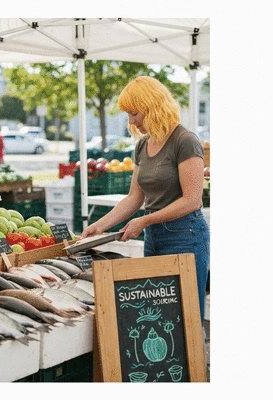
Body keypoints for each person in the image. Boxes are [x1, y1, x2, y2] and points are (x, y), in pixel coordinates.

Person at [81, 76, 210, 324]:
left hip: (186, 235)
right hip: (154, 237)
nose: (130, 121)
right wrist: (100, 225)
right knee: (160, 317)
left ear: (153, 107)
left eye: (134, 113)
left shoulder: (185, 141)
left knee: (187, 316)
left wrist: (145, 220)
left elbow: (191, 201)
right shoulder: (142, 146)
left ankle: (195, 365)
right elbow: (134, 197)